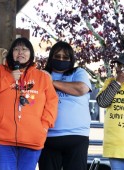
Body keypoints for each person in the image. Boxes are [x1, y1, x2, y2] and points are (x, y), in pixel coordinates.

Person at [0, 37, 58, 170]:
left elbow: (52, 103)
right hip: (3, 139)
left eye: (24, 49)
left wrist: (44, 126)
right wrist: (9, 78)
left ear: (31, 53)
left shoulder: (42, 77)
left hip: (32, 139)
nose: (20, 52)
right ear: (11, 53)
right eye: (16, 49)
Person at [38, 41, 92, 170]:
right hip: (47, 137)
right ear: (51, 57)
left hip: (77, 136)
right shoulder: (41, 74)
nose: (61, 59)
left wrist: (52, 82)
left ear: (71, 59)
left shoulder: (78, 72)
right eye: (57, 56)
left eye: (65, 57)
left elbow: (81, 89)